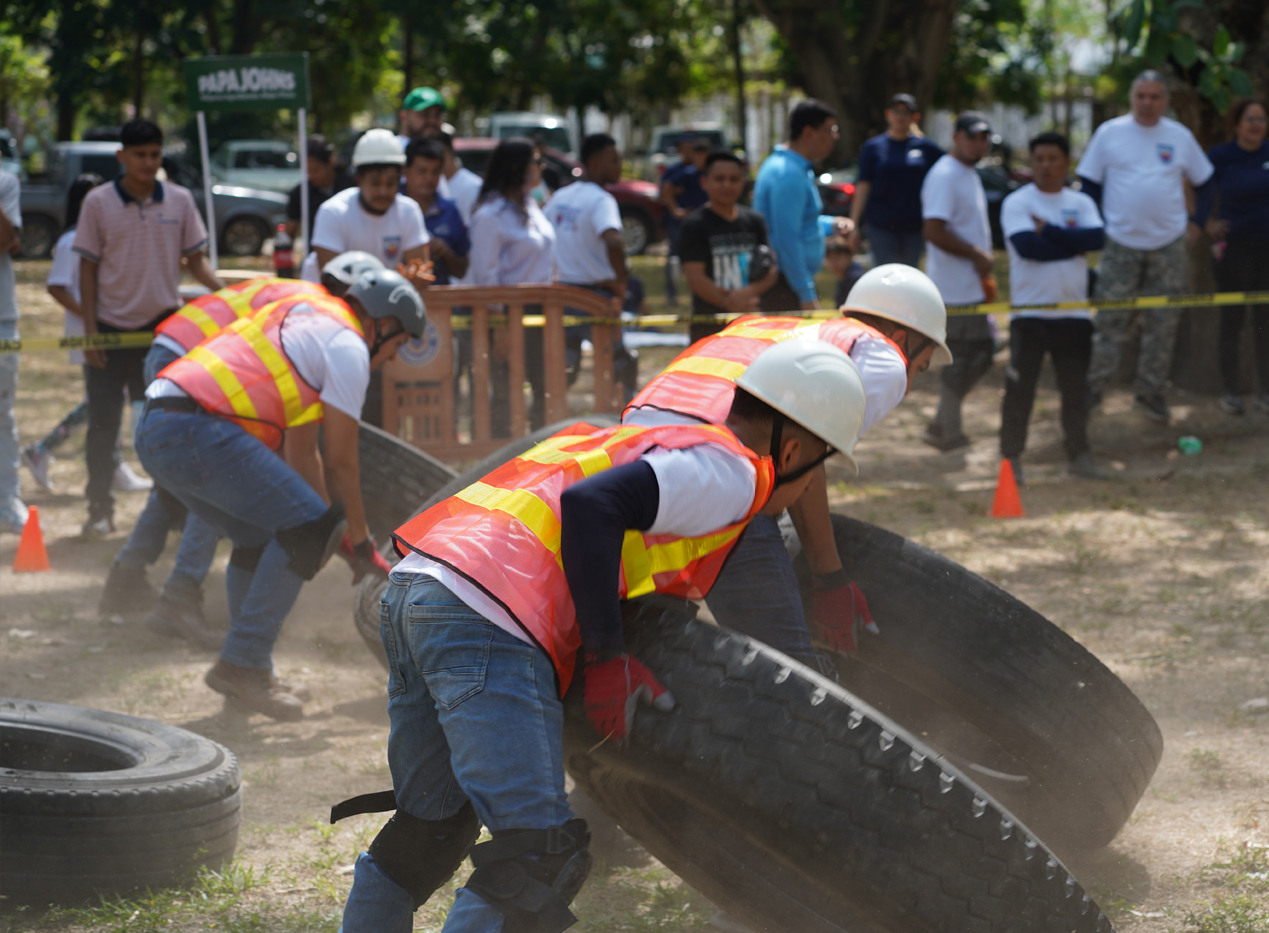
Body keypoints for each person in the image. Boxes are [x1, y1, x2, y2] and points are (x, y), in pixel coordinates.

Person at [336, 338, 867, 933]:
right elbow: (592, 507)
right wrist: (607, 657)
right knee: (538, 859)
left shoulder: (648, 444)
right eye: (818, 468)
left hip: (420, 585)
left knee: (430, 824)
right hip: (488, 612)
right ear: (793, 449)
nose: (810, 488)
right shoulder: (735, 471)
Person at [624, 262, 948, 665]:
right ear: (901, 338)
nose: (910, 381)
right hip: (721, 470)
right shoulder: (882, 358)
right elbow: (804, 462)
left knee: (649, 645)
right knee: (788, 672)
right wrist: (829, 578)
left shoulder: (766, 326)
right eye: (920, 366)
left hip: (630, 459)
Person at [136, 269, 423, 719]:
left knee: (258, 537)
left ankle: (250, 670)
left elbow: (305, 456)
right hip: (197, 427)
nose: (390, 359)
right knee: (307, 532)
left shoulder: (305, 319)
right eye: (397, 346)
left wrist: (337, 534)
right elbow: (342, 461)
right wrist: (361, 541)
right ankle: (243, 663)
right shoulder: (347, 345)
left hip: (159, 424)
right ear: (382, 324)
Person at [97, 273, 332, 640]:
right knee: (223, 477)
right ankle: (180, 592)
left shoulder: (300, 292)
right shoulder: (313, 309)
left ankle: (129, 572)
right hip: (192, 360)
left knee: (189, 480)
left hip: (177, 348)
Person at [73, 118, 224, 537]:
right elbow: (86, 269)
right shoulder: (98, 203)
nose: (147, 162)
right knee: (103, 427)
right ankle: (99, 509)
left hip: (163, 334)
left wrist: (228, 295)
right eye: (139, 155)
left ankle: (172, 511)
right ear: (122, 156)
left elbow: (196, 262)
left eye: (154, 155)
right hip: (108, 329)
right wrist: (89, 332)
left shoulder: (178, 201)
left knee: (168, 428)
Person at [1077, 69, 1215, 423]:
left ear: (1166, 101)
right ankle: (1094, 388)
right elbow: (1089, 184)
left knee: (1163, 321)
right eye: (1141, 96)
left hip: (1169, 244)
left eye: (1155, 97)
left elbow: (1206, 182)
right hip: (1120, 243)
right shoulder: (1110, 133)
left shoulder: (1179, 136)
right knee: (1110, 319)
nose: (1147, 103)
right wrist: (1098, 225)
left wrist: (1196, 224)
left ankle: (1150, 391)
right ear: (1132, 98)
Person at [23, 173, 149, 496]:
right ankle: (44, 448)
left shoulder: (101, 236)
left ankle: (111, 463)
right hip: (90, 334)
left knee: (107, 401)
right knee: (102, 402)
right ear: (83, 202)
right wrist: (92, 318)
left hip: (110, 333)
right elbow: (56, 287)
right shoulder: (71, 240)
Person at [999, 132, 1107, 483]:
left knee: (1075, 392)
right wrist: (1070, 244)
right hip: (1030, 313)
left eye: (1053, 159)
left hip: (1074, 315)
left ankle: (1079, 455)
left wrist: (1050, 230)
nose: (1045, 166)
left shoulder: (1082, 202)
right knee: (1020, 391)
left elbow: (1095, 240)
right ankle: (1010, 460)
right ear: (1032, 163)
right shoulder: (1017, 202)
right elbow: (1028, 247)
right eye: (1039, 159)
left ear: (1066, 162)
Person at [469, 137, 558, 430]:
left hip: (542, 309)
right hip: (507, 313)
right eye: (536, 162)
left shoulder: (531, 205)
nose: (541, 168)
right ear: (517, 167)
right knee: (507, 390)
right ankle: (503, 458)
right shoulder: (490, 215)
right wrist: (499, 328)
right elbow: (486, 277)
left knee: (545, 384)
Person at [920, 110, 995, 452]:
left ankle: (941, 422)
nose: (978, 143)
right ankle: (947, 430)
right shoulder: (946, 175)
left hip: (970, 287)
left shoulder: (968, 172)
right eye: (972, 136)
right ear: (956, 137)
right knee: (967, 357)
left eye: (984, 138)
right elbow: (933, 230)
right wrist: (975, 255)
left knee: (980, 354)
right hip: (951, 289)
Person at [547, 133, 639, 394]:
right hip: (596, 298)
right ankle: (626, 420)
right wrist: (622, 283)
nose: (619, 165)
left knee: (562, 371)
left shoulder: (560, 197)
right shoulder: (602, 200)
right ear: (596, 163)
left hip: (561, 295)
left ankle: (548, 418)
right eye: (614, 159)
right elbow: (613, 241)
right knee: (620, 364)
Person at [1204, 97, 1269, 415]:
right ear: (1236, 124)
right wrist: (1205, 222)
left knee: (1265, 322)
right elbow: (1196, 186)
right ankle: (1230, 391)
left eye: (1261, 119)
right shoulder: (1220, 156)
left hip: (1266, 248)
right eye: (1250, 119)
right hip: (1233, 249)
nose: (1256, 124)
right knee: (1232, 319)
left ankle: (1266, 392)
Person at [677, 150, 780, 342]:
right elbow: (695, 279)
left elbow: (771, 270)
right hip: (709, 330)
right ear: (704, 183)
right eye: (719, 179)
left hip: (752, 327)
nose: (727, 185)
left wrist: (747, 295)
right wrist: (730, 302)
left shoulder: (755, 221)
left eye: (734, 179)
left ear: (743, 182)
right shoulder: (694, 225)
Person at [305, 129, 430, 282]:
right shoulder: (333, 212)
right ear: (358, 180)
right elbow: (332, 283)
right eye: (375, 183)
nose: (383, 191)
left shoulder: (409, 211)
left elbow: (419, 272)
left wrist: (415, 279)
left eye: (391, 183)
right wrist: (397, 282)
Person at [753, 99, 841, 312]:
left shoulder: (794, 168)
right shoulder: (788, 174)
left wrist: (831, 225)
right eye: (830, 130)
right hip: (785, 285)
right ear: (809, 133)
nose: (835, 137)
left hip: (788, 281)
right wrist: (806, 293)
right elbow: (786, 238)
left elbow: (799, 222)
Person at [848, 93, 944, 267]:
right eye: (896, 111)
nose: (900, 116)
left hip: (914, 225)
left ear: (915, 117)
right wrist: (854, 223)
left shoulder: (926, 147)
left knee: (909, 275)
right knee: (886, 274)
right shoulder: (873, 147)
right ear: (888, 114)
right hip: (880, 224)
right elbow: (863, 186)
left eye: (906, 112)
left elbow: (945, 173)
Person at [403, 139, 470, 286]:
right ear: (405, 171)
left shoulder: (450, 211)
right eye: (422, 171)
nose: (429, 178)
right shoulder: (390, 206)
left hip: (440, 303)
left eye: (435, 172)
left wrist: (446, 254)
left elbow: (462, 270)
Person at [660, 135, 711, 306]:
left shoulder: (711, 173)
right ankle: (672, 294)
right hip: (682, 224)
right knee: (675, 258)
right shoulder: (685, 172)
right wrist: (675, 211)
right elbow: (666, 188)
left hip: (705, 224)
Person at [0, 159, 22, 533]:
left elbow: (7, 241)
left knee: (1, 414)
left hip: (1, 320)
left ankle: (7, 500)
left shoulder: (5, 182)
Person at [285, 134, 353, 242]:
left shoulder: (352, 186)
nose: (311, 175)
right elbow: (289, 234)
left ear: (331, 162)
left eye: (315, 170)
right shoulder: (300, 194)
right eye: (307, 170)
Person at [825, 227, 866, 309]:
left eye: (837, 258)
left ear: (849, 256)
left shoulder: (854, 279)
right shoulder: (844, 278)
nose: (833, 263)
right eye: (830, 259)